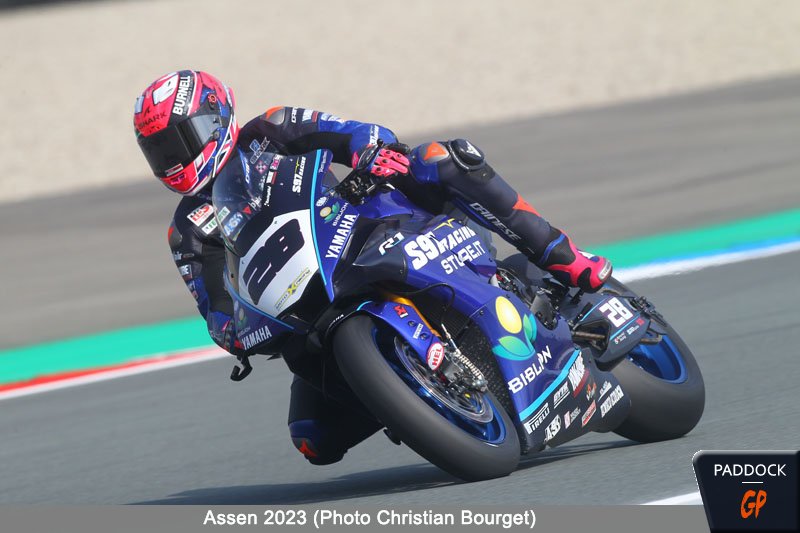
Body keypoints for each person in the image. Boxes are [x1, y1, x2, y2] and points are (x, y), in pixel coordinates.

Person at [134, 70, 612, 465]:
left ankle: (565, 259)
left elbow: (353, 132)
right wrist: (233, 332)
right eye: (159, 151)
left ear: (216, 117)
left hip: (370, 224)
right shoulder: (187, 230)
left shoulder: (272, 129)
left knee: (441, 159)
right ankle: (412, 394)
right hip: (308, 305)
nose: (173, 159)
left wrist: (369, 152)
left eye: (180, 141)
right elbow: (215, 305)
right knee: (314, 439)